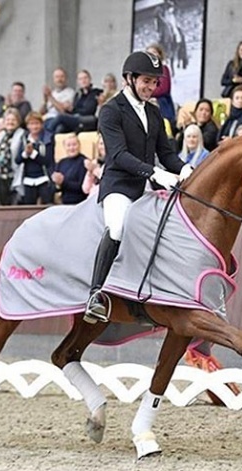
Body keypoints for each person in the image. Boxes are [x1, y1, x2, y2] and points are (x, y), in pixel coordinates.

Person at [84, 50, 192, 324]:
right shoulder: (110, 110)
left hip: (145, 186)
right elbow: (118, 155)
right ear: (129, 79)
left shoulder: (154, 113)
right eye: (146, 81)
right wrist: (156, 172)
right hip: (119, 185)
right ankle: (95, 295)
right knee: (118, 227)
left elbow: (166, 154)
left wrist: (185, 169)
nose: (151, 88)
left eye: (155, 83)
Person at [43, 70, 102, 138]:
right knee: (61, 128)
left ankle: (45, 136)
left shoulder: (96, 92)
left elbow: (88, 110)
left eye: (85, 78)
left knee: (60, 117)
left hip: (88, 119)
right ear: (78, 81)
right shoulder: (78, 94)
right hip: (76, 118)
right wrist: (68, 109)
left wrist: (72, 109)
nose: (83, 80)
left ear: (90, 79)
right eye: (80, 79)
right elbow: (73, 110)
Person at [15, 111, 53, 205]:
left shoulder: (48, 138)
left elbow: (47, 160)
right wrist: (25, 153)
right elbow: (17, 160)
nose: (34, 127)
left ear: (41, 124)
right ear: (27, 126)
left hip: (43, 177)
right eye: (31, 124)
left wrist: (33, 154)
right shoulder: (24, 139)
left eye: (37, 123)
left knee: (47, 205)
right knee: (29, 206)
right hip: (28, 179)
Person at [0, 107, 26, 205]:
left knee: (14, 202)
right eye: (8, 120)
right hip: (1, 173)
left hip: (16, 173)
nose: (10, 122)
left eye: (13, 120)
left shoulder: (22, 134)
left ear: (18, 121)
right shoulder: (0, 135)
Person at [51, 133, 88, 205]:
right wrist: (56, 183)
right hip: (64, 202)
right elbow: (56, 187)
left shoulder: (84, 162)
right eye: (68, 145)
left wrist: (63, 182)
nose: (71, 148)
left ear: (79, 145)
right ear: (64, 147)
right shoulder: (61, 162)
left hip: (80, 202)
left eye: (74, 144)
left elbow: (82, 187)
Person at [40, 68, 76, 139]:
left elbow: (62, 111)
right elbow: (41, 112)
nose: (59, 79)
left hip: (58, 120)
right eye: (57, 77)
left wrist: (50, 97)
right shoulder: (52, 92)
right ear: (54, 79)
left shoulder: (70, 92)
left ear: (66, 78)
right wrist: (45, 100)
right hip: (47, 119)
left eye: (62, 77)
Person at [147, 44, 176, 128]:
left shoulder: (163, 69)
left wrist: (148, 93)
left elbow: (163, 89)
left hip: (162, 103)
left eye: (154, 52)